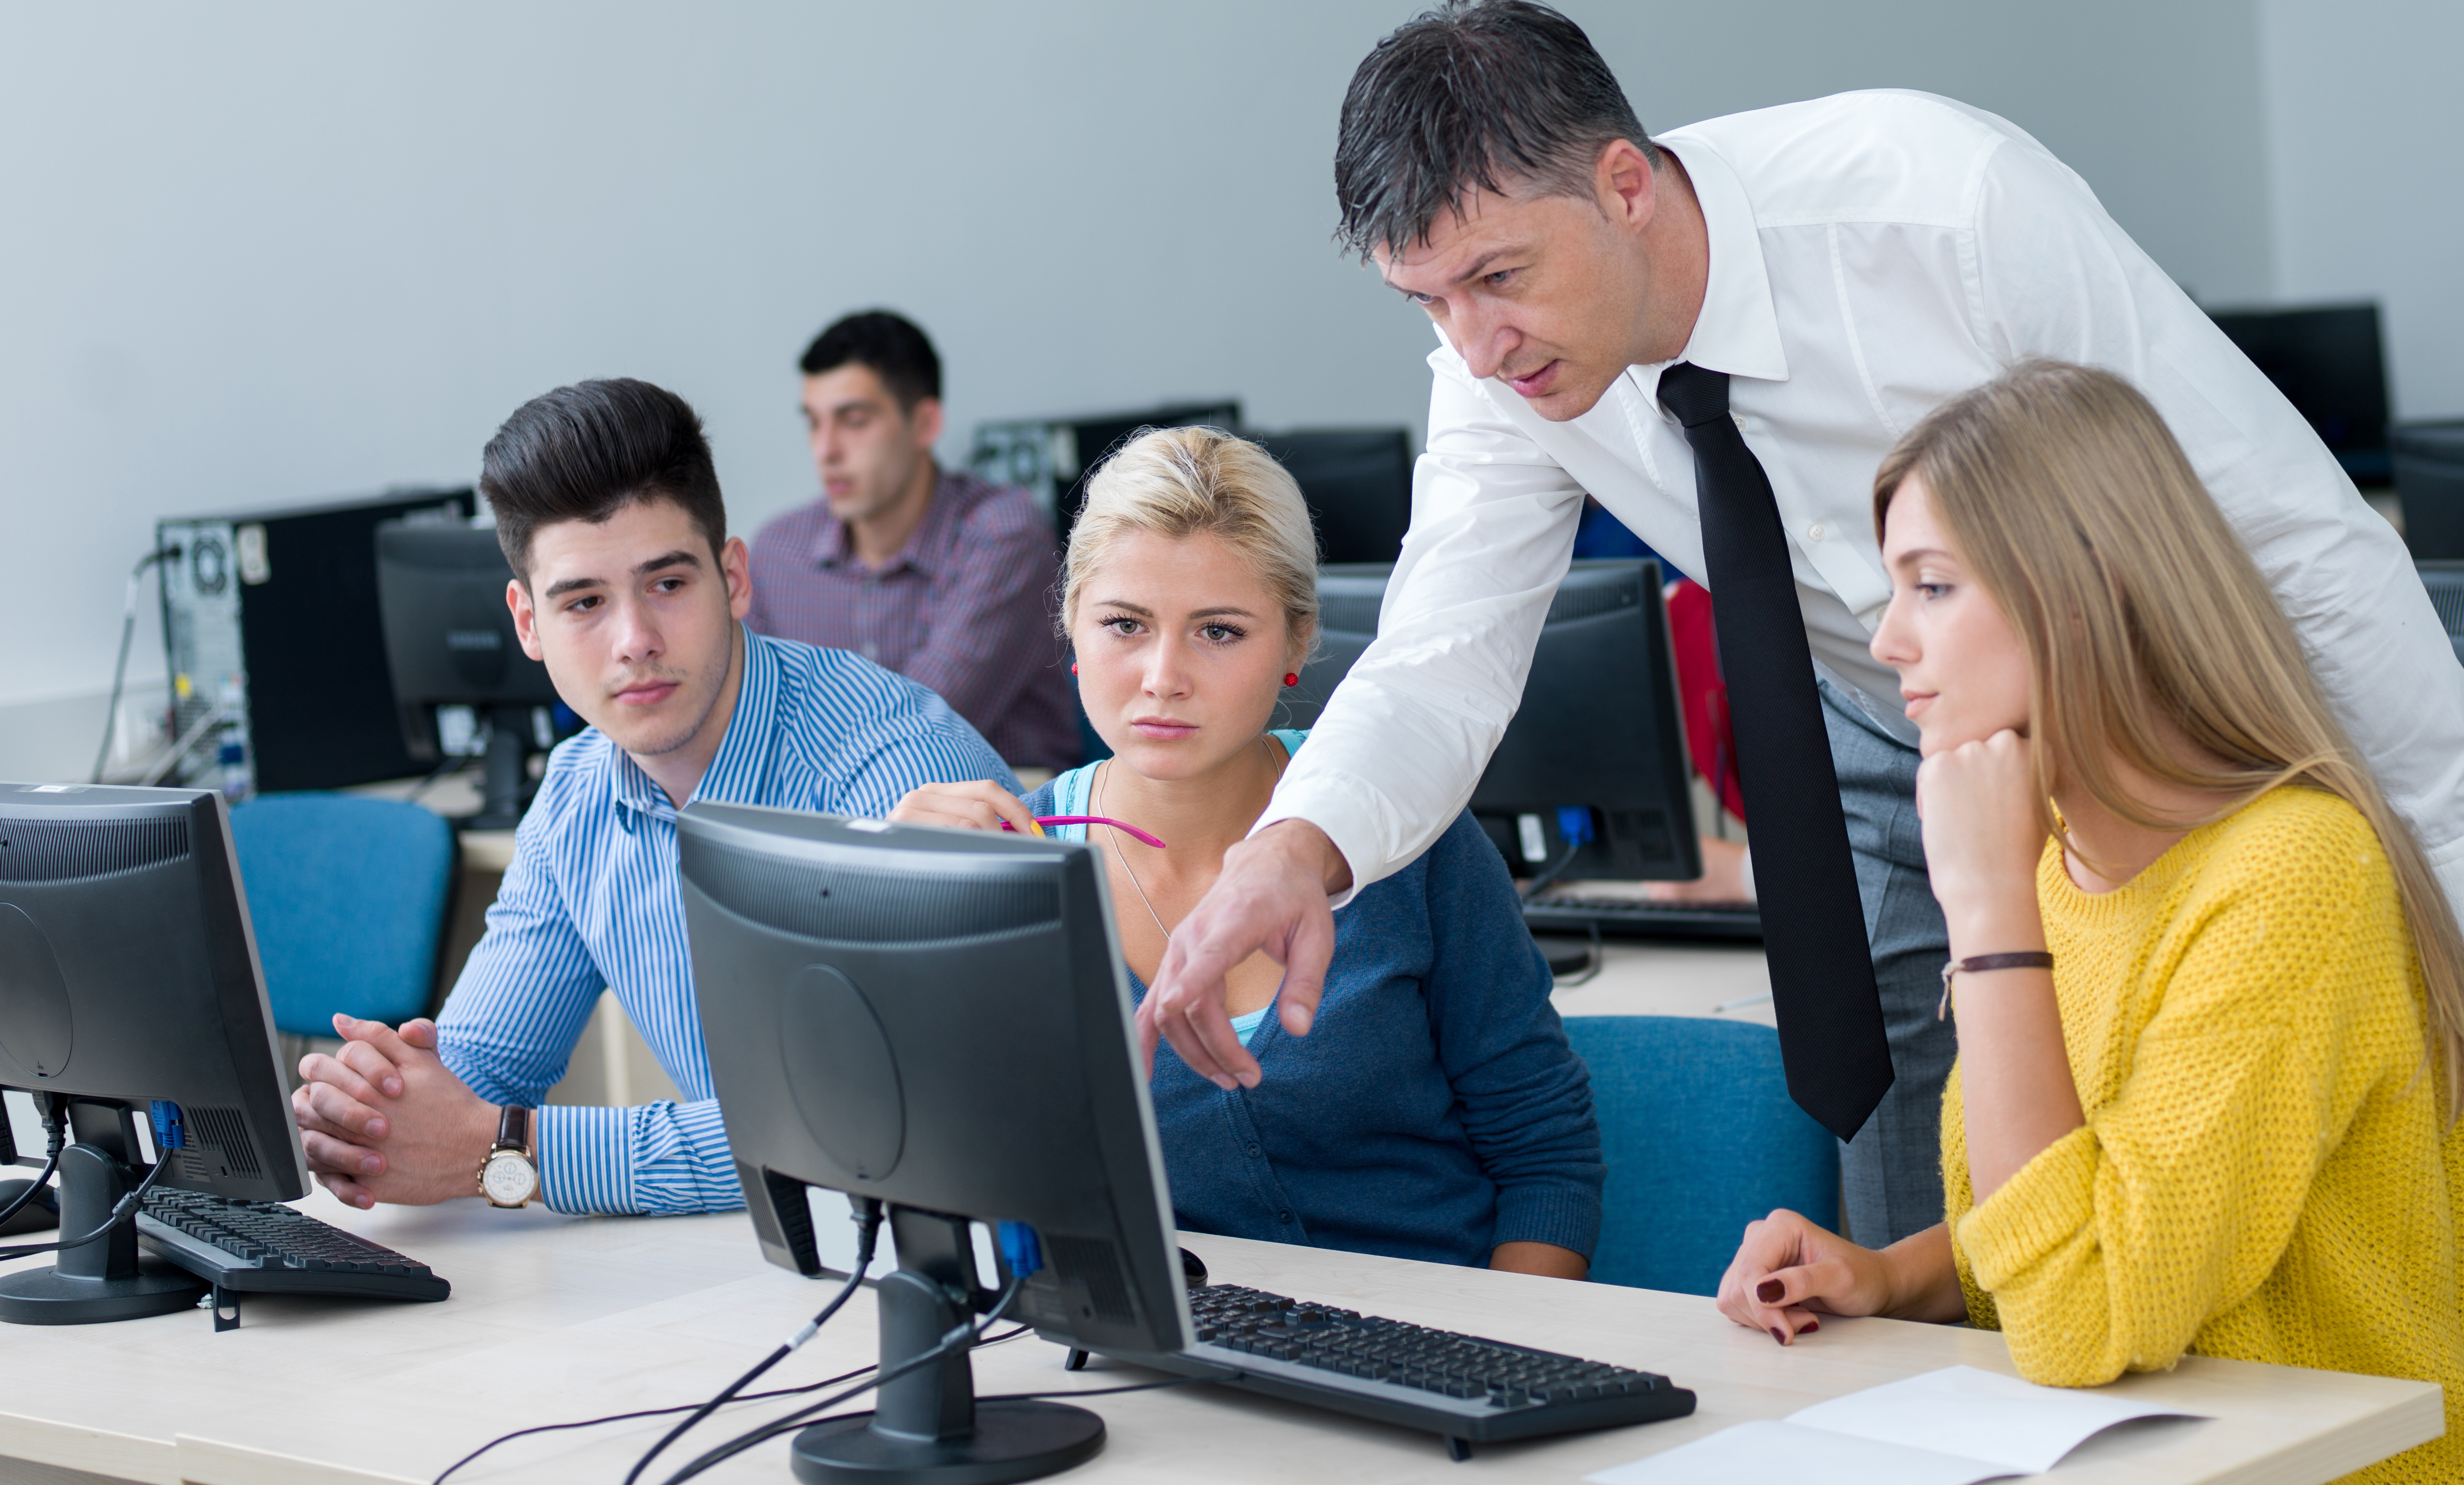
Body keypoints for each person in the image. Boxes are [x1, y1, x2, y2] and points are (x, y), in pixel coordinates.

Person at [1144, 0, 2464, 1250]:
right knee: (1920, 1176)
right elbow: (1442, 649)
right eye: (1424, 303)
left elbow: (2291, 535)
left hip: (2158, 729)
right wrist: (1298, 846)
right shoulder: (1499, 367)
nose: (1474, 348)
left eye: (1496, 278)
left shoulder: (1939, 204)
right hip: (1878, 739)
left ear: (1623, 183)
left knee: (2206, 1165)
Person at [1713, 366, 2464, 1485]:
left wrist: (1990, 915)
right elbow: (2080, 1207)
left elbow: (2080, 1317)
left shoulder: (2293, 874)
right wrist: (1892, 1275)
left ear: (2080, 595)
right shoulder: (2063, 854)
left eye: (1933, 588)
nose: (1890, 645)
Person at [291, 379, 1018, 1214]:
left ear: (734, 578)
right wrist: (372, 1113)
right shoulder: (574, 798)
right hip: (780, 1272)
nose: (634, 641)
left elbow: (884, 1131)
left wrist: (510, 1153)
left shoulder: (893, 775)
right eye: (585, 603)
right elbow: (474, 1080)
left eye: (667, 584)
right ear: (528, 624)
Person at [891, 426, 1600, 1273]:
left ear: (1298, 641)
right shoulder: (1009, 866)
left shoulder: (1401, 830)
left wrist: (1502, 1364)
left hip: (1440, 1349)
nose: (1162, 676)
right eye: (1124, 624)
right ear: (1072, 628)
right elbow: (944, 1168)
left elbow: (1545, 1155)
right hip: (1168, 1370)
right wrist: (900, 920)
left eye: (1218, 631)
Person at [747, 309, 1078, 769]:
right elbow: (749, 722)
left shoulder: (1002, 534)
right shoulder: (778, 552)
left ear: (924, 425)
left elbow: (921, 725)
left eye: (854, 420)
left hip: (1005, 822)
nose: (826, 450)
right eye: (814, 422)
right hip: (832, 822)